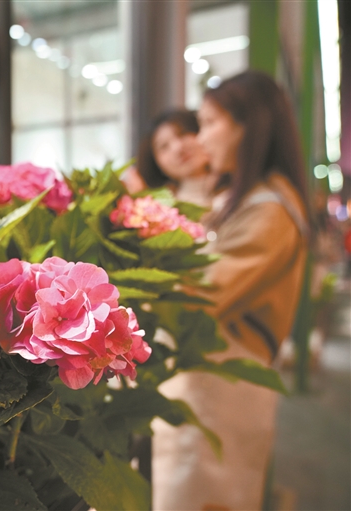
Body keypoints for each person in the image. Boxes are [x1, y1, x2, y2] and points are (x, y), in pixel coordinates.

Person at [152, 71, 310, 511]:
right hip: (212, 378)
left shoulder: (269, 211)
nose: (200, 139)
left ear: (248, 126)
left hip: (223, 383)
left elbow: (202, 295)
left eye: (208, 123)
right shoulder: (250, 197)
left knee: (202, 495)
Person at [135, 109, 215, 206]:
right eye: (164, 146)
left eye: (183, 133)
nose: (178, 148)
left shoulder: (231, 191)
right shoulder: (161, 208)